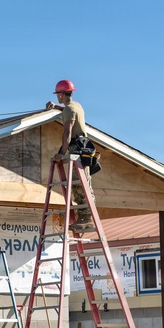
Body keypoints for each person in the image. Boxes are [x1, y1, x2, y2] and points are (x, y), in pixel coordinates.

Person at [45, 79, 95, 232]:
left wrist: (61, 153)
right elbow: (69, 110)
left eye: (57, 95)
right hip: (85, 148)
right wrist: (57, 107)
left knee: (77, 184)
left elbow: (67, 132)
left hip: (76, 149)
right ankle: (87, 217)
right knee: (84, 182)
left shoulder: (69, 110)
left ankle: (85, 219)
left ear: (61, 94)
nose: (57, 97)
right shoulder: (76, 106)